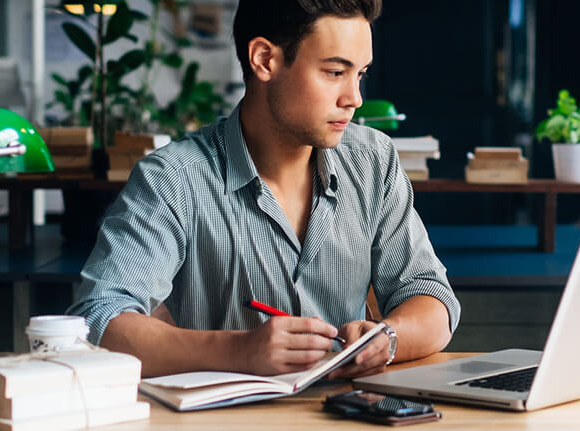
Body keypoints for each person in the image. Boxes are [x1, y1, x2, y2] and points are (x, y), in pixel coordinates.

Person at [68, 0, 460, 379]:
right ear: (264, 60)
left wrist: (388, 338)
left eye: (360, 74)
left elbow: (432, 299)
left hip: (347, 415)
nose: (354, 99)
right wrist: (238, 350)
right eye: (334, 72)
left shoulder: (374, 161)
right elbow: (98, 319)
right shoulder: (173, 178)